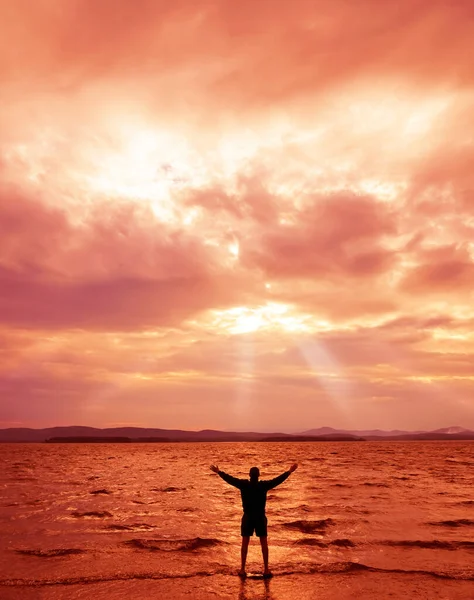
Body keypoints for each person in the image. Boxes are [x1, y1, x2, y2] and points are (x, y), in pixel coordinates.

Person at [210, 462, 298, 578]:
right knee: (264, 543)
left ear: (249, 475)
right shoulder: (263, 485)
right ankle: (266, 569)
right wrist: (289, 471)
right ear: (259, 475)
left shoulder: (244, 484)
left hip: (248, 517)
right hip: (260, 517)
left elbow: (230, 479)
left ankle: (242, 569)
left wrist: (219, 472)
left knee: (245, 543)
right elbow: (277, 480)